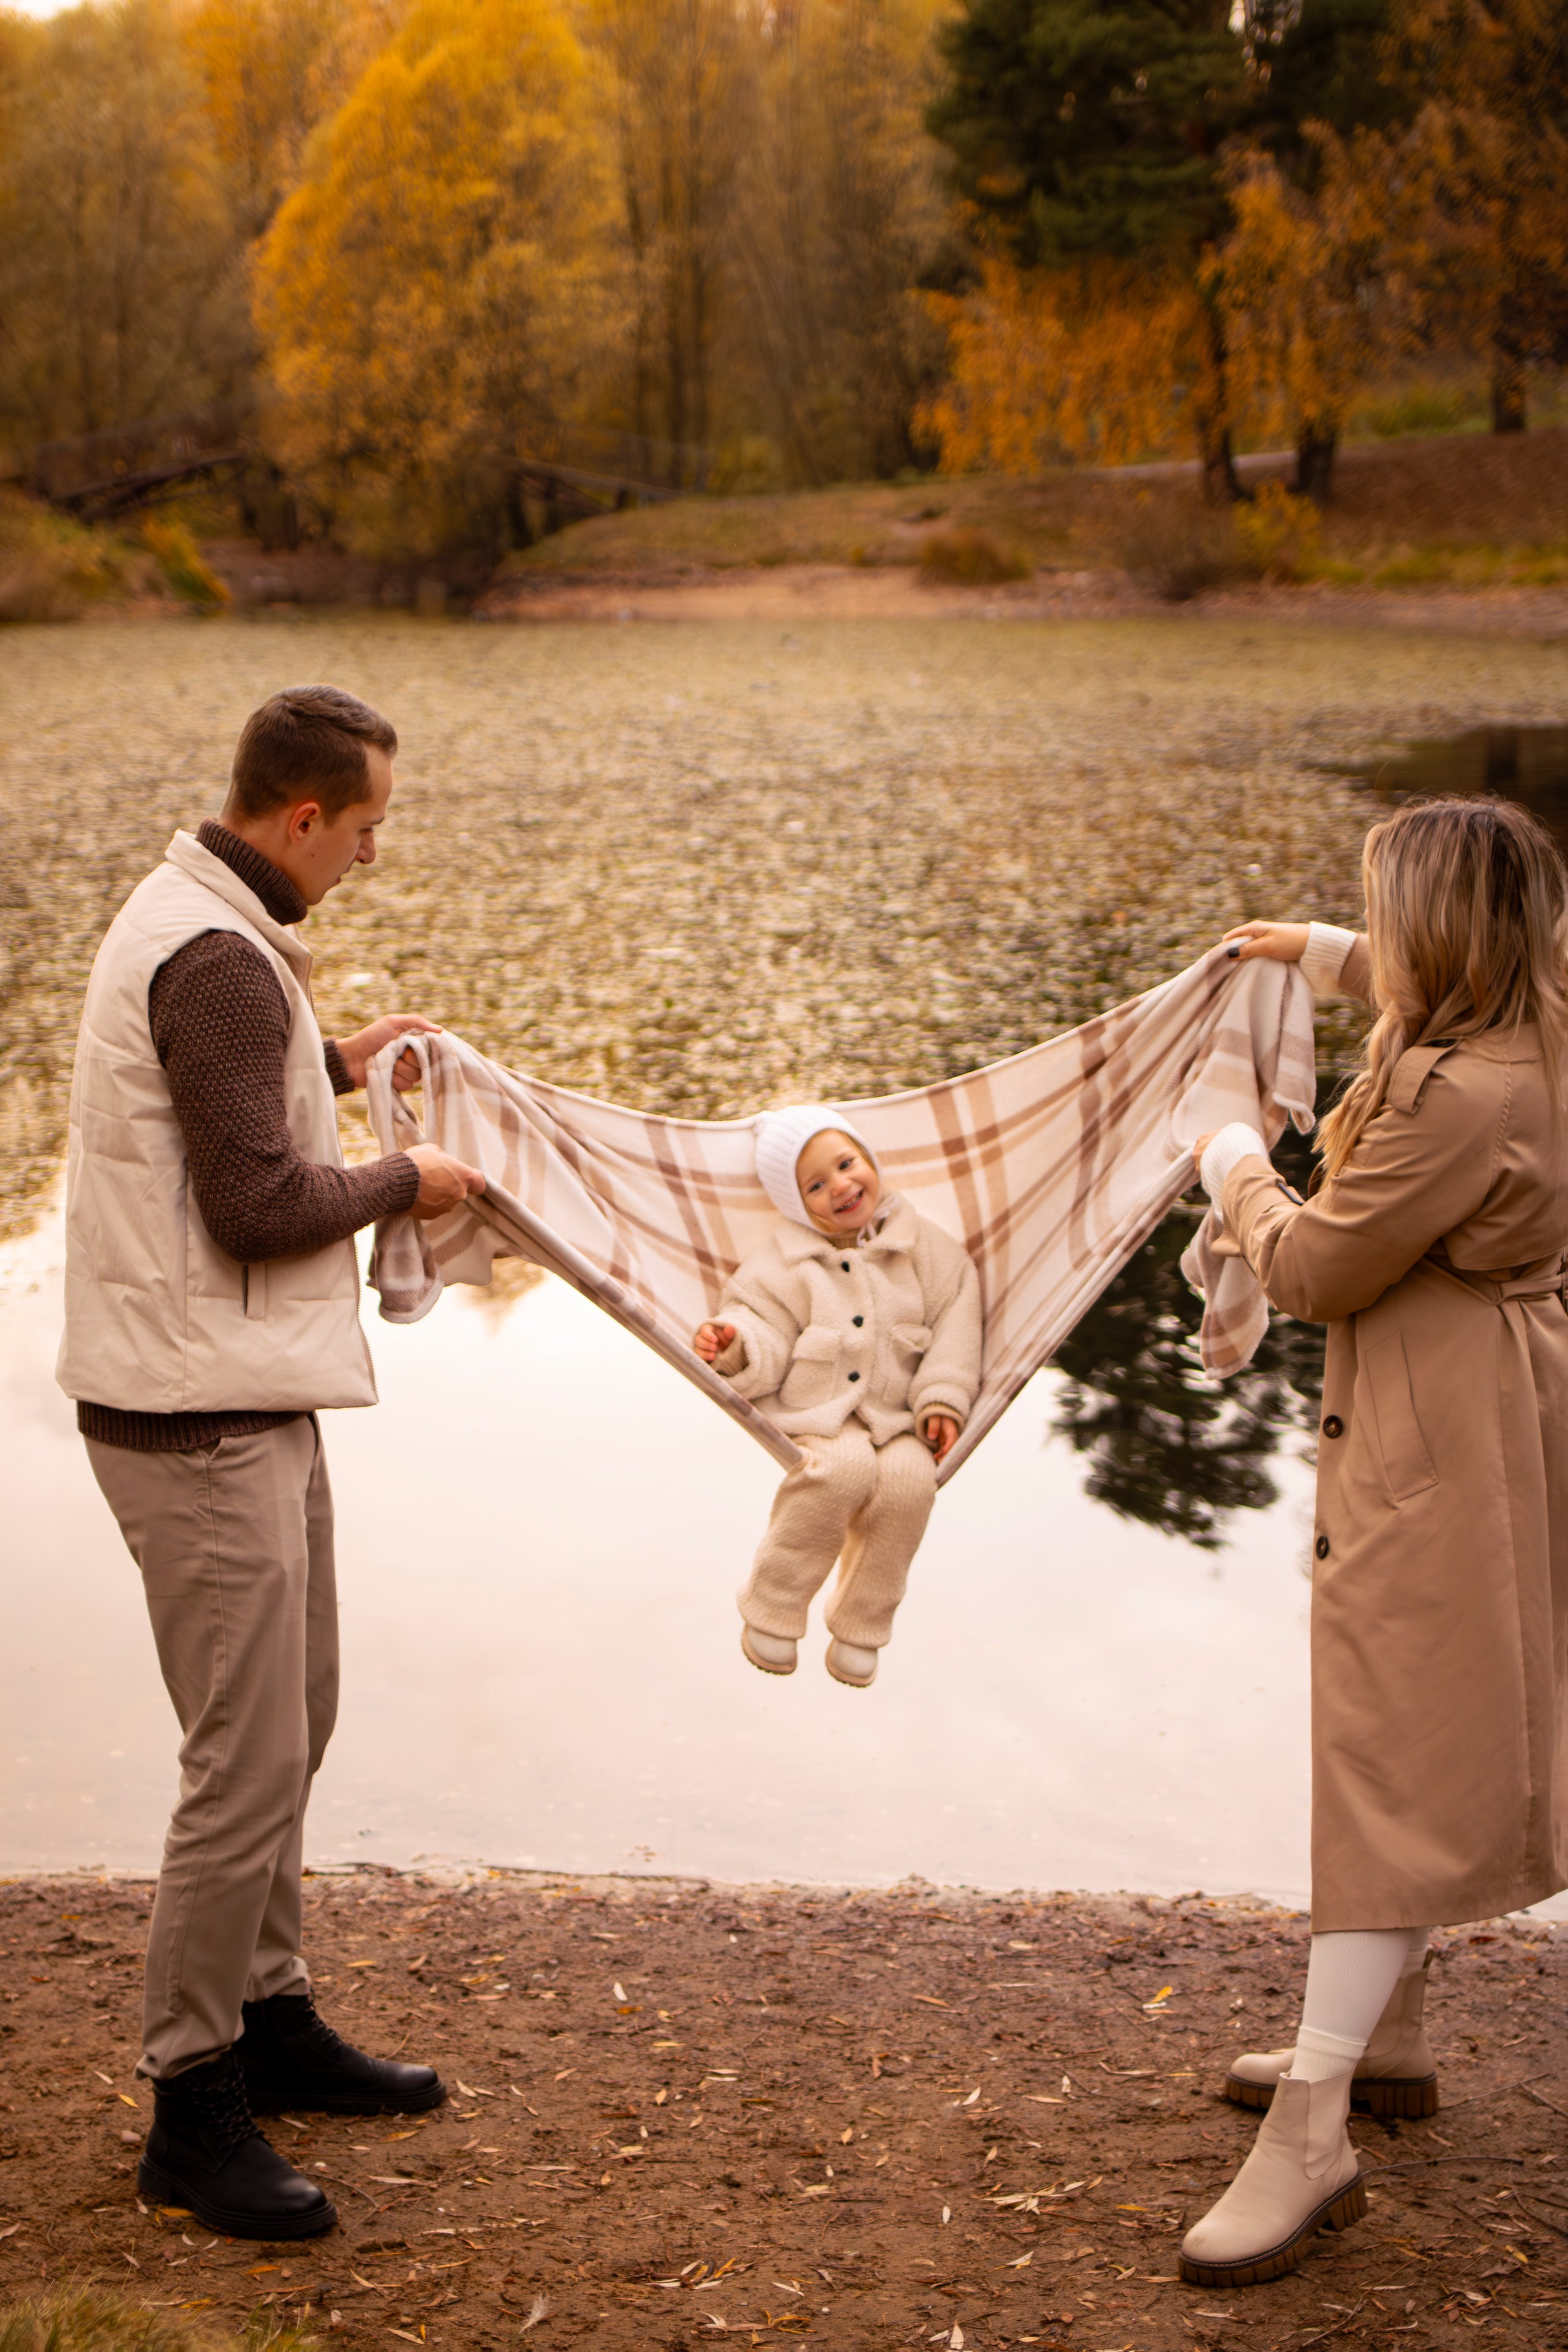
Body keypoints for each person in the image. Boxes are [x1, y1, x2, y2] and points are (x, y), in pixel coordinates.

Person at [56, 685, 486, 2239]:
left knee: (294, 1719)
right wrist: (403, 1177)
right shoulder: (220, 959)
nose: (372, 853)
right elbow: (253, 1207)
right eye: (365, 827)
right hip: (199, 1417)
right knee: (239, 1765)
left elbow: (229, 1110)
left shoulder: (213, 927)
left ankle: (271, 2016)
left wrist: (341, 1063)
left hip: (241, 1390)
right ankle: (192, 2103)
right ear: (302, 816)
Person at [1180, 797, 1568, 2290]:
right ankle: (1382, 2038)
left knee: (1388, 1755)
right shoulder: (1535, 1018)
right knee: (1423, 1728)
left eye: (1384, 918)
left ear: (1441, 938)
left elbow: (1314, 1266)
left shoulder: (1457, 1096)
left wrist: (1231, 1160)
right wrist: (1315, 947)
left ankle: (1311, 2130)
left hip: (1436, 1428)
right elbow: (1430, 979)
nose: (1375, 943)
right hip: (1497, 1399)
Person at [692, 1107, 982, 1687]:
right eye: (816, 1186)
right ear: (797, 1204)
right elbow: (764, 1326)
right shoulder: (784, 1263)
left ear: (869, 1159)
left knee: (910, 1483)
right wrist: (733, 1344)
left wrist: (942, 1399)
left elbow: (957, 1321)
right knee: (840, 1471)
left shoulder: (925, 1246)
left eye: (847, 1164)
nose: (842, 1187)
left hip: (900, 1414)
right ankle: (773, 1605)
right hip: (817, 1411)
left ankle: (861, 1625)